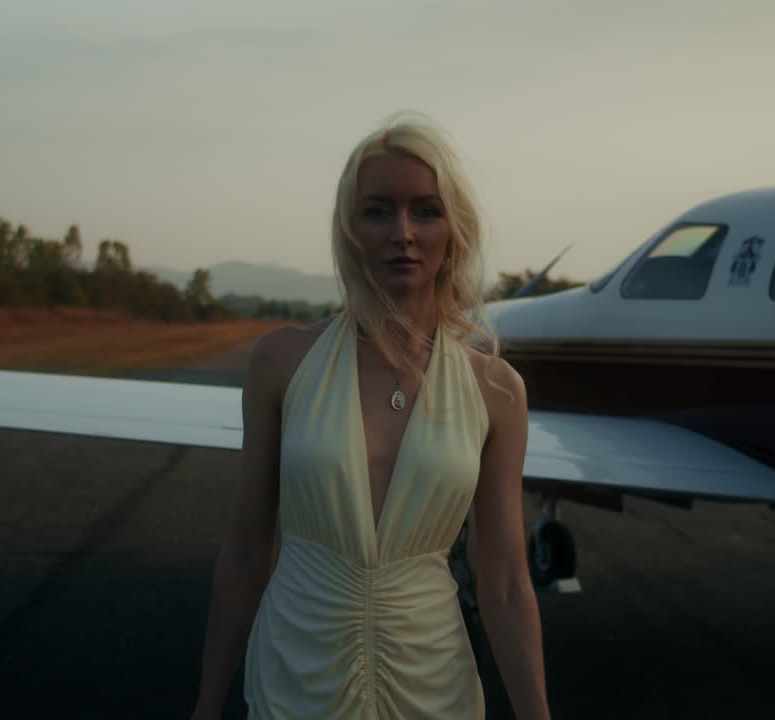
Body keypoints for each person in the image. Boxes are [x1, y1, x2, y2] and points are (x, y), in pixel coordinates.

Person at [191, 115, 549, 719]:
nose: (403, 233)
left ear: (454, 228)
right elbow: (249, 545)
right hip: (297, 675)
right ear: (349, 230)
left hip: (432, 682)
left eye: (426, 211)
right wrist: (205, 706)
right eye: (378, 211)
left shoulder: (497, 391)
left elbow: (507, 578)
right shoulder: (281, 362)